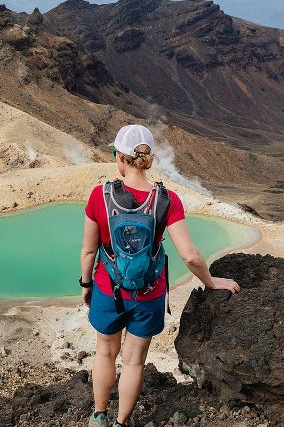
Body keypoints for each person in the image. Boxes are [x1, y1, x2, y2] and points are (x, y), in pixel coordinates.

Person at [80, 124, 240, 427]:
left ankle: (98, 417)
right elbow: (190, 255)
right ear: (148, 158)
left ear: (121, 157)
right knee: (134, 361)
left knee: (105, 353)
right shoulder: (167, 200)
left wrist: (87, 284)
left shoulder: (99, 196)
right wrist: (211, 282)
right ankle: (121, 423)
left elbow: (88, 252)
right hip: (149, 294)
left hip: (107, 289)